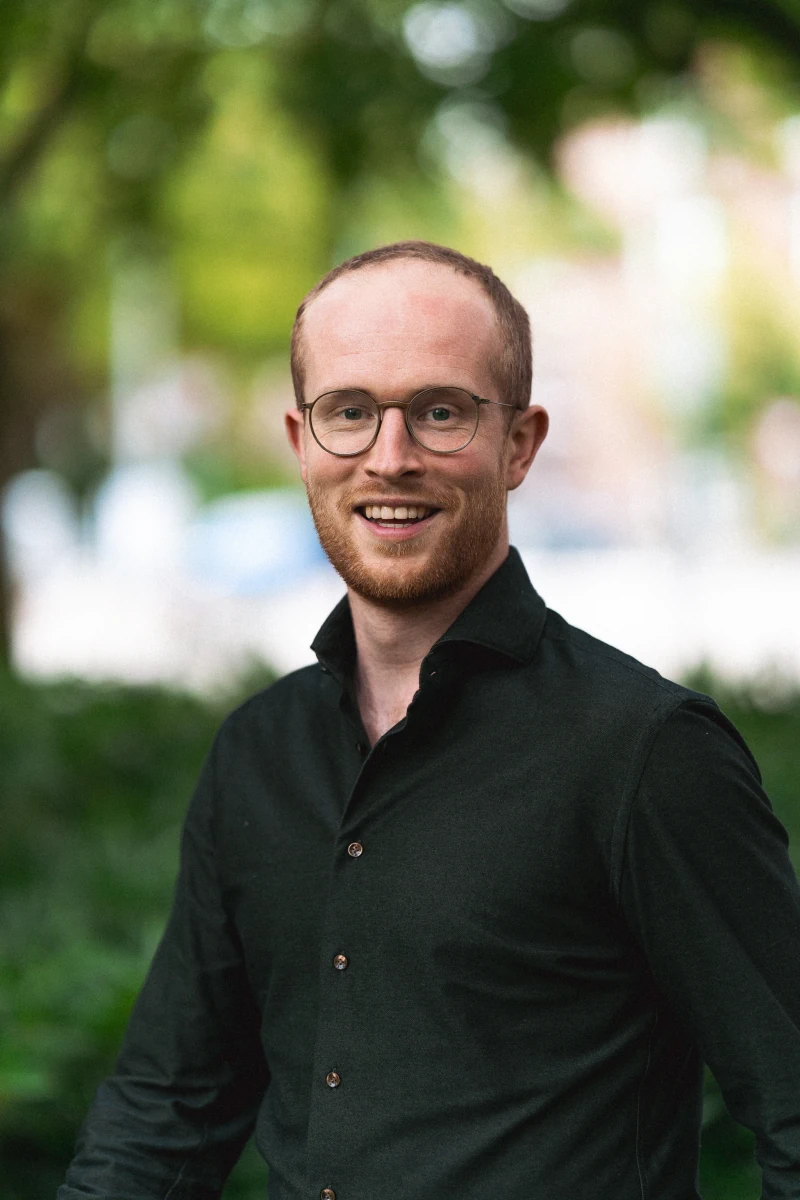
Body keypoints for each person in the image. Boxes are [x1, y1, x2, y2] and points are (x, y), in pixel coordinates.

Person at [59, 241, 800, 1200]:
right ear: (300, 442)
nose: (390, 456)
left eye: (440, 412)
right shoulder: (258, 751)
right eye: (350, 412)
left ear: (522, 443)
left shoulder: (645, 753)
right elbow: (167, 1110)